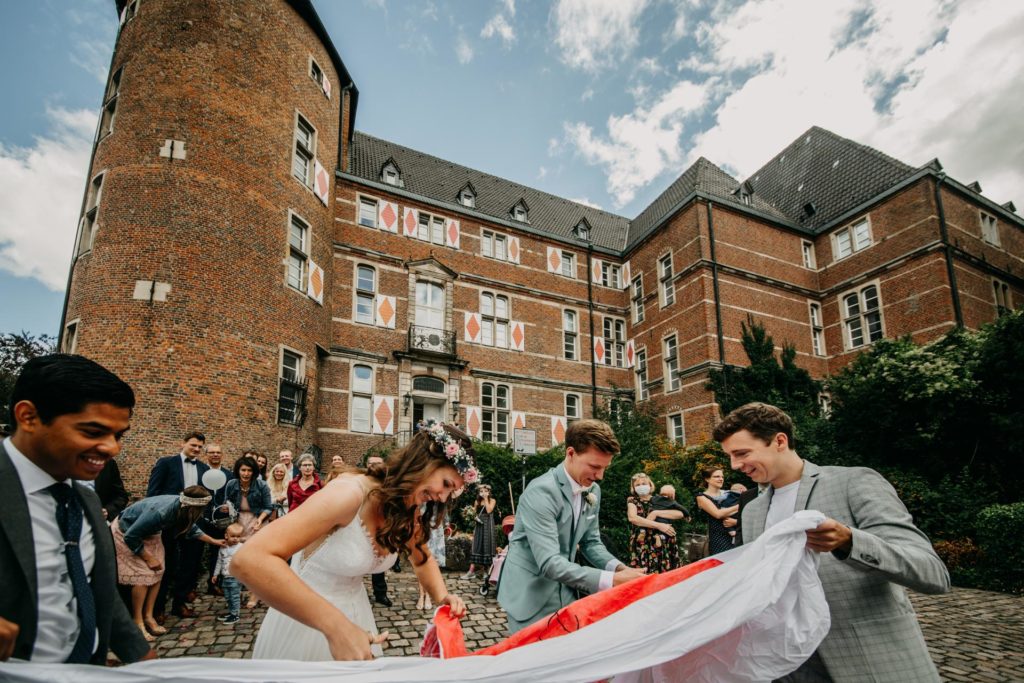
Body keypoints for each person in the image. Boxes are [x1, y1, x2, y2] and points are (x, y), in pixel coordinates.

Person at [716, 402, 951, 681]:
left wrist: (850, 542)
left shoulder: (853, 482)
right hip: (785, 663)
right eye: (730, 456)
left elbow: (933, 574)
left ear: (780, 441)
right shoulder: (752, 509)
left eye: (741, 453)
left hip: (863, 656)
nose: (735, 465)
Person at [235, 422, 472, 661]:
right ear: (423, 463)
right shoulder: (348, 494)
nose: (442, 497)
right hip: (306, 620)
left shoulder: (407, 510)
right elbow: (249, 560)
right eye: (446, 484)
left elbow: (422, 559)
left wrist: (443, 596)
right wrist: (336, 627)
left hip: (356, 615)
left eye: (451, 492)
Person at [0, 353, 153, 664]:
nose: (112, 448)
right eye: (93, 432)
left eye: (118, 435)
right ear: (28, 416)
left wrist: (143, 658)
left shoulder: (85, 499)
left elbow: (97, 591)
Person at [496, 419, 645, 634]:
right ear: (571, 453)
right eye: (594, 466)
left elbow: (591, 542)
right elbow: (549, 562)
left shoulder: (593, 490)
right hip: (530, 592)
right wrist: (611, 580)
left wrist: (621, 569)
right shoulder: (541, 492)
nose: (600, 476)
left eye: (605, 468)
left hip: (566, 589)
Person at [111, 486, 223, 641]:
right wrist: (148, 558)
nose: (203, 512)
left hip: (151, 534)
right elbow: (131, 536)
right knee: (143, 576)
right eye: (201, 508)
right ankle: (138, 621)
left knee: (159, 571)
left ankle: (149, 616)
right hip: (126, 532)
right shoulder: (161, 512)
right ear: (192, 507)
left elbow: (192, 529)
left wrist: (214, 541)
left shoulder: (184, 509)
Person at [146, 431, 211, 619]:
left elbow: (206, 496)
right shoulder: (166, 463)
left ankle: (179, 603)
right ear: (182, 443)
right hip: (169, 521)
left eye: (200, 447)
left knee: (190, 564)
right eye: (193, 445)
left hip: (193, 523)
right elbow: (153, 493)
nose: (197, 449)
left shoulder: (204, 469)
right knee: (166, 563)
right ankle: (158, 608)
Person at [223, 456, 272, 609]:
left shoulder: (262, 485)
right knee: (240, 558)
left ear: (254, 471)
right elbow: (227, 502)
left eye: (249, 470)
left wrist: (261, 519)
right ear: (238, 471)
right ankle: (238, 591)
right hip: (238, 524)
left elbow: (268, 507)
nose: (246, 473)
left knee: (255, 560)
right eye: (243, 470)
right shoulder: (231, 484)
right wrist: (226, 507)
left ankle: (254, 594)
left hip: (257, 522)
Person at [626, 473, 678, 573]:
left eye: (644, 483)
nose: (641, 486)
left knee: (667, 572)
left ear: (650, 485)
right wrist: (659, 525)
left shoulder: (660, 499)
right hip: (643, 542)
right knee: (646, 573)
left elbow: (679, 513)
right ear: (633, 488)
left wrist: (656, 513)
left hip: (664, 539)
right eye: (637, 485)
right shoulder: (632, 501)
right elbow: (633, 518)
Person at [202, 442, 234, 596]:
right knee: (196, 552)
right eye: (212, 452)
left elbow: (233, 496)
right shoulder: (200, 472)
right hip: (201, 518)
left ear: (222, 455)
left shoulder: (229, 475)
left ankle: (214, 584)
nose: (215, 455)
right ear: (206, 454)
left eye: (218, 452)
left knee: (219, 551)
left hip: (221, 521)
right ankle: (189, 587)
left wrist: (229, 507)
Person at [365, 455, 392, 608]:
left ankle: (380, 593)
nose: (375, 466)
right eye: (372, 463)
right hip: (360, 526)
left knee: (377, 561)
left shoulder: (388, 484)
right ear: (367, 465)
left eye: (378, 463)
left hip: (380, 527)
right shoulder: (359, 482)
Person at [694, 466, 739, 556]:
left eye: (722, 477)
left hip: (737, 535)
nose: (721, 479)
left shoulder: (730, 494)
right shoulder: (702, 497)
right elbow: (718, 514)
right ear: (707, 479)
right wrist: (739, 506)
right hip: (718, 538)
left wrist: (736, 522)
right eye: (717, 476)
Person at [211, 523, 246, 625]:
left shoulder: (241, 547)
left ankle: (235, 614)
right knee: (227, 596)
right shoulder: (223, 547)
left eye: (238, 536)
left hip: (235, 577)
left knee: (234, 596)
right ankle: (231, 612)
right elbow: (219, 561)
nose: (236, 539)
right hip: (225, 577)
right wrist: (215, 574)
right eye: (233, 536)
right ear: (226, 536)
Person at [461, 483, 497, 580]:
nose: (483, 493)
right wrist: (473, 517)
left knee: (486, 546)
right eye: (481, 491)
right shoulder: (477, 501)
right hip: (479, 526)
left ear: (489, 492)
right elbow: (474, 513)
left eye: (485, 491)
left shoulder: (492, 500)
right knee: (476, 546)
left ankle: (486, 571)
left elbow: (489, 510)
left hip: (488, 526)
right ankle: (471, 571)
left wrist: (485, 499)